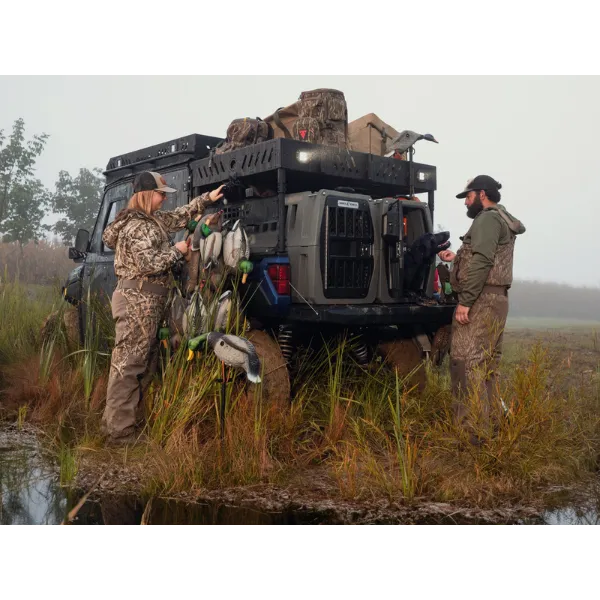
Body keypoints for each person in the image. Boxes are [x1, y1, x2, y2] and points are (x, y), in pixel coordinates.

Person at [100, 171, 224, 445]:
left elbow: (180, 216)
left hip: (149, 301)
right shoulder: (136, 227)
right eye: (160, 195)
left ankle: (125, 424)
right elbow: (149, 264)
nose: (163, 200)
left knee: (143, 362)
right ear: (146, 195)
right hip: (137, 301)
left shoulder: (152, 221)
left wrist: (206, 199)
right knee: (129, 364)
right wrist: (178, 250)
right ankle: (118, 433)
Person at [437, 175, 525, 440]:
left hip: (480, 299)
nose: (466, 201)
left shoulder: (486, 218)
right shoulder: (502, 218)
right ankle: (494, 425)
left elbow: (484, 260)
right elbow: (486, 257)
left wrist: (465, 302)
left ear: (482, 194)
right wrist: (458, 258)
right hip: (496, 299)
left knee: (465, 362)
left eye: (468, 196)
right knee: (486, 365)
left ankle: (471, 432)